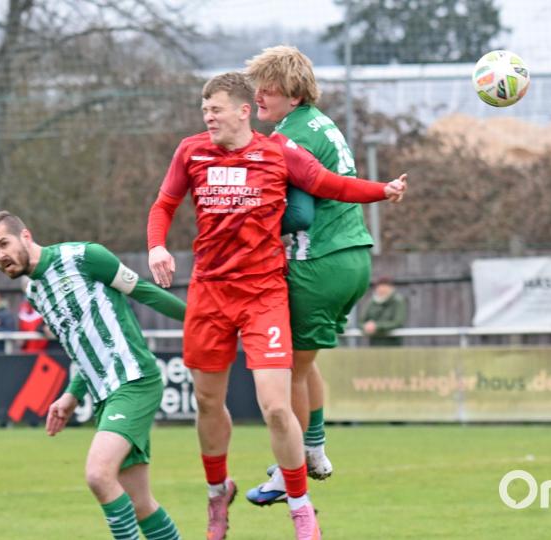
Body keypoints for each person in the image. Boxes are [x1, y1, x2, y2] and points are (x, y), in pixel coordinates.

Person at [147, 71, 407, 540]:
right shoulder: (191, 151)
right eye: (204, 110)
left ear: (244, 111)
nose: (208, 117)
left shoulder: (278, 151)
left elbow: (330, 185)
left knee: (275, 407)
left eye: (216, 109)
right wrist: (156, 247)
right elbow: (164, 204)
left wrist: (381, 191)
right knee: (207, 400)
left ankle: (302, 509)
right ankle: (216, 493)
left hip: (263, 293)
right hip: (209, 290)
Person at [0, 210, 185, 540]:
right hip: (105, 393)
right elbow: (79, 343)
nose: (0, 255)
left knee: (98, 475)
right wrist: (72, 393)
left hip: (134, 380)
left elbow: (144, 292)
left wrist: (202, 321)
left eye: (4, 243)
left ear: (26, 236)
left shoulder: (84, 257)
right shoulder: (33, 290)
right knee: (140, 503)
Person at [243, 44, 379, 504]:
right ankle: (314, 450)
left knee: (287, 372)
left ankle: (291, 470)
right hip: (354, 256)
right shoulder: (320, 123)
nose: (259, 94)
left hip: (318, 261)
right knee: (305, 362)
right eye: (258, 83)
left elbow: (299, 214)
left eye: (270, 86)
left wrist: (243, 221)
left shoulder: (289, 138)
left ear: (294, 91)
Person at [359, 277, 408, 347]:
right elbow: (361, 321)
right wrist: (365, 326)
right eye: (380, 289)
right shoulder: (371, 302)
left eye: (385, 289)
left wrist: (377, 326)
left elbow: (398, 322)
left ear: (391, 288)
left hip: (393, 344)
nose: (382, 291)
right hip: (374, 344)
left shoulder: (398, 301)